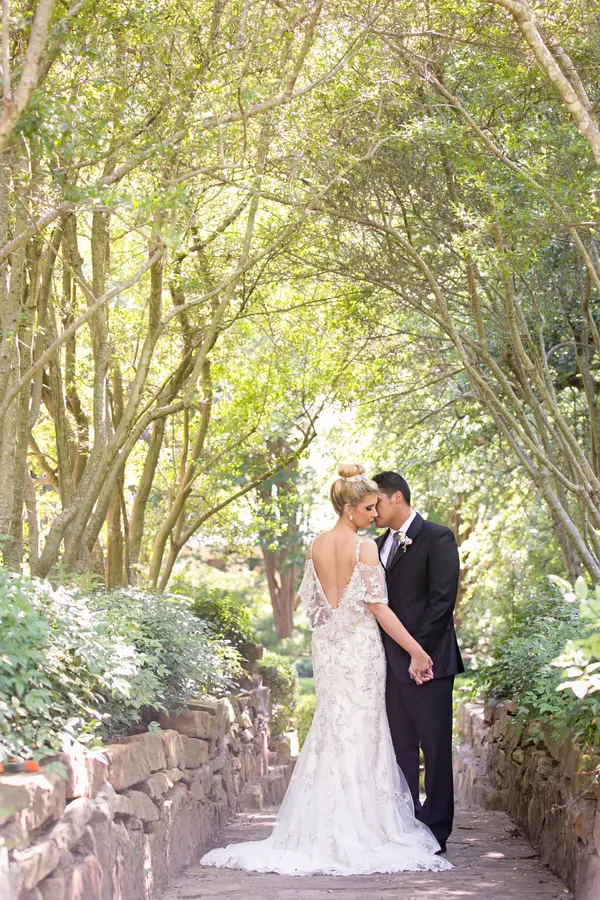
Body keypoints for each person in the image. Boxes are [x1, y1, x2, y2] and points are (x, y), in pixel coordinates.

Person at [199, 464, 452, 876]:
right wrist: (417, 651)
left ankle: (323, 828)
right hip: (362, 651)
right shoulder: (364, 547)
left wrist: (337, 631)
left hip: (330, 651)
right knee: (364, 731)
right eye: (369, 508)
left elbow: (316, 612)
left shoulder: (315, 546)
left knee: (334, 729)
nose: (375, 515)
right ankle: (368, 828)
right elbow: (378, 609)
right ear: (350, 508)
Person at [373, 471, 464, 853]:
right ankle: (407, 825)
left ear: (396, 498)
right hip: (389, 667)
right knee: (400, 750)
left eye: (376, 502)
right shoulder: (376, 545)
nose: (372, 510)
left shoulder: (438, 537)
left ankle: (437, 830)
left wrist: (418, 653)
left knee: (436, 748)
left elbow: (443, 600)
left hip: (431, 664)